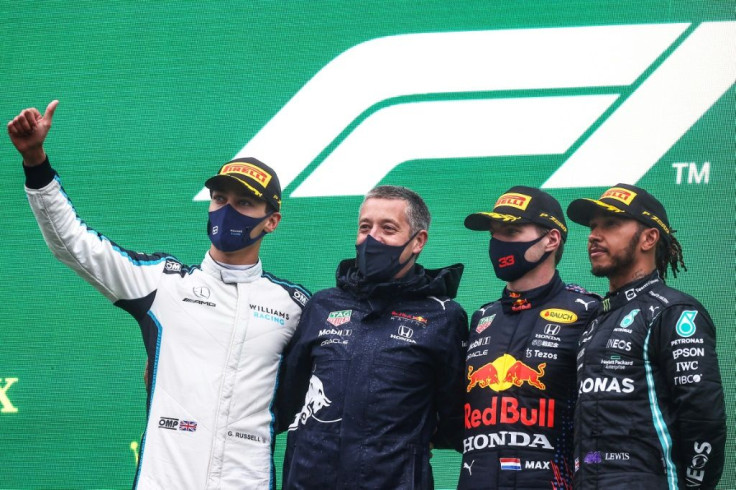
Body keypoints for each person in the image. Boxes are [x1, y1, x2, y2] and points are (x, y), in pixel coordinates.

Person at [7, 100, 310, 489]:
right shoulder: (163, 283)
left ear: (273, 220)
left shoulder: (295, 306)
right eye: (220, 199)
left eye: (244, 203)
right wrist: (35, 162)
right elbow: (73, 245)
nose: (227, 210)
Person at [276, 185, 468, 489]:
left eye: (388, 228)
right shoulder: (322, 305)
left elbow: (455, 421)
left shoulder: (443, 317)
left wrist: (405, 448)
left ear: (418, 241)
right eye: (365, 227)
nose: (372, 237)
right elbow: (285, 400)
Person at [567, 183, 726, 489]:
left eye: (610, 224)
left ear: (649, 238)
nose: (594, 236)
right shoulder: (596, 319)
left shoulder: (674, 311)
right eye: (593, 227)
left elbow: (703, 418)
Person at [458, 186, 599, 489]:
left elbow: (605, 423)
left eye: (511, 231)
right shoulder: (483, 317)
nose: (498, 243)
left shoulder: (588, 311)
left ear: (551, 239)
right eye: (494, 234)